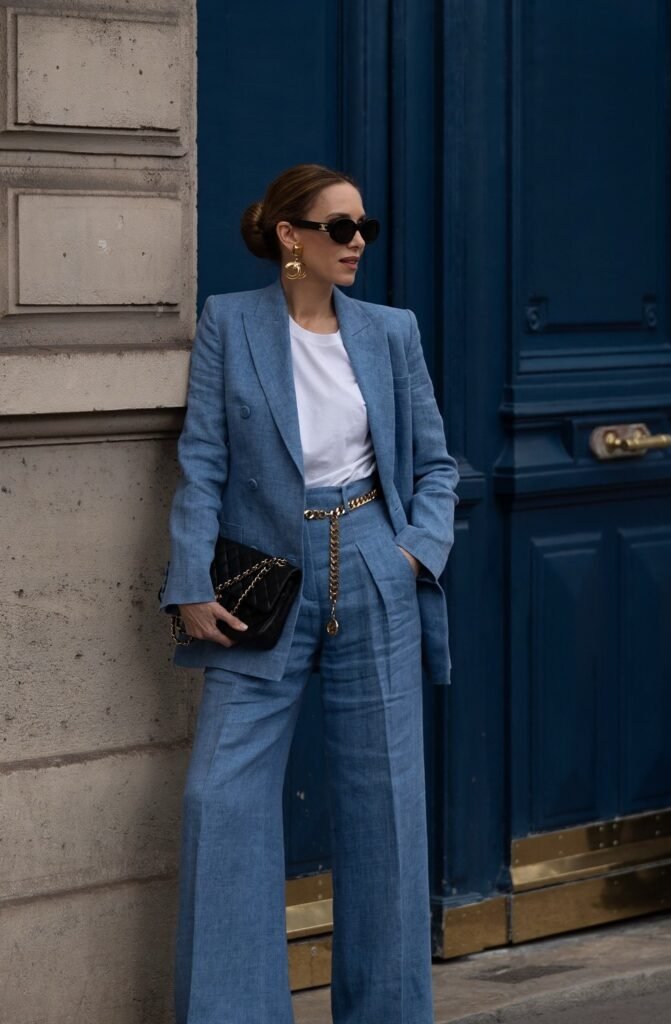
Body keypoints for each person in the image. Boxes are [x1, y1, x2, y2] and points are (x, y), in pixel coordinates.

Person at [159, 163, 458, 1024]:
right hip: (260, 579)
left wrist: (411, 554)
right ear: (291, 236)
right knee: (219, 797)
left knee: (386, 808)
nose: (357, 240)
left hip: (371, 558)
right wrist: (187, 582)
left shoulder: (391, 332)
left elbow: (436, 466)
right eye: (338, 226)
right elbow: (203, 462)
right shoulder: (232, 324)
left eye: (364, 226)